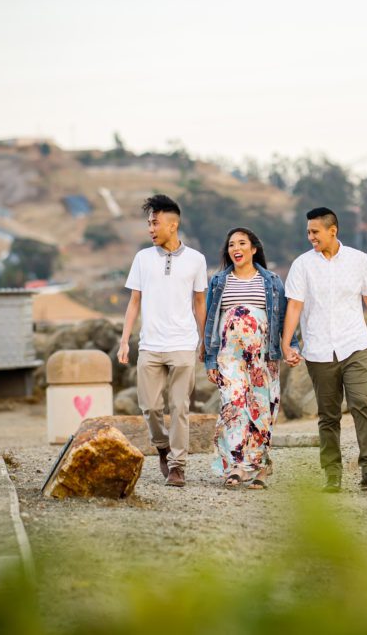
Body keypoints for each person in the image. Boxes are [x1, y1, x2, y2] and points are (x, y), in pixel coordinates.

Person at [281, 207, 367, 492]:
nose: (310, 237)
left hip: (354, 344)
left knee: (361, 404)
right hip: (319, 349)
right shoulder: (302, 265)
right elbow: (294, 305)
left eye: (315, 232)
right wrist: (287, 342)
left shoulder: (358, 260)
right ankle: (332, 474)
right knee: (329, 415)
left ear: (333, 230)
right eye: (308, 232)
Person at [118, 194, 207, 488]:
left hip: (183, 343)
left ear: (173, 224)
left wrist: (204, 340)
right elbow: (134, 302)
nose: (150, 229)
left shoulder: (196, 259)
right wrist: (124, 341)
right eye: (148, 223)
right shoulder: (142, 258)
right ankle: (162, 447)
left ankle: (178, 466)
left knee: (180, 407)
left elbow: (199, 303)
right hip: (150, 345)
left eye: (155, 223)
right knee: (150, 406)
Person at [203, 227, 296, 490]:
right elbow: (211, 322)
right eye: (231, 244)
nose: (236, 249)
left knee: (261, 410)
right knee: (233, 407)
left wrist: (291, 347)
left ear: (253, 249)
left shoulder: (272, 281)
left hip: (263, 359)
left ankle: (260, 468)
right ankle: (235, 466)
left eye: (242, 243)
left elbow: (283, 318)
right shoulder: (219, 281)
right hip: (228, 358)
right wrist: (209, 361)